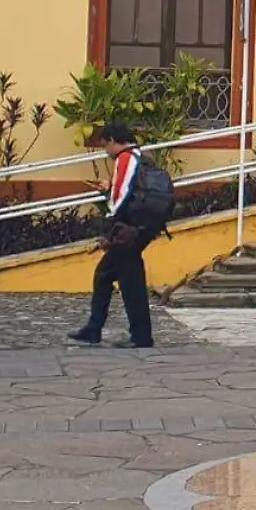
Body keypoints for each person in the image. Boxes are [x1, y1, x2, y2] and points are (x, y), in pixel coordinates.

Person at [69, 122, 163, 348]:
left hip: (128, 231)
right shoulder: (142, 157)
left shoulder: (125, 158)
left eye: (105, 146)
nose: (105, 151)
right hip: (140, 228)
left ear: (112, 141)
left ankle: (139, 337)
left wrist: (110, 226)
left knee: (130, 283)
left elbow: (122, 196)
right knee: (108, 275)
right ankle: (95, 328)